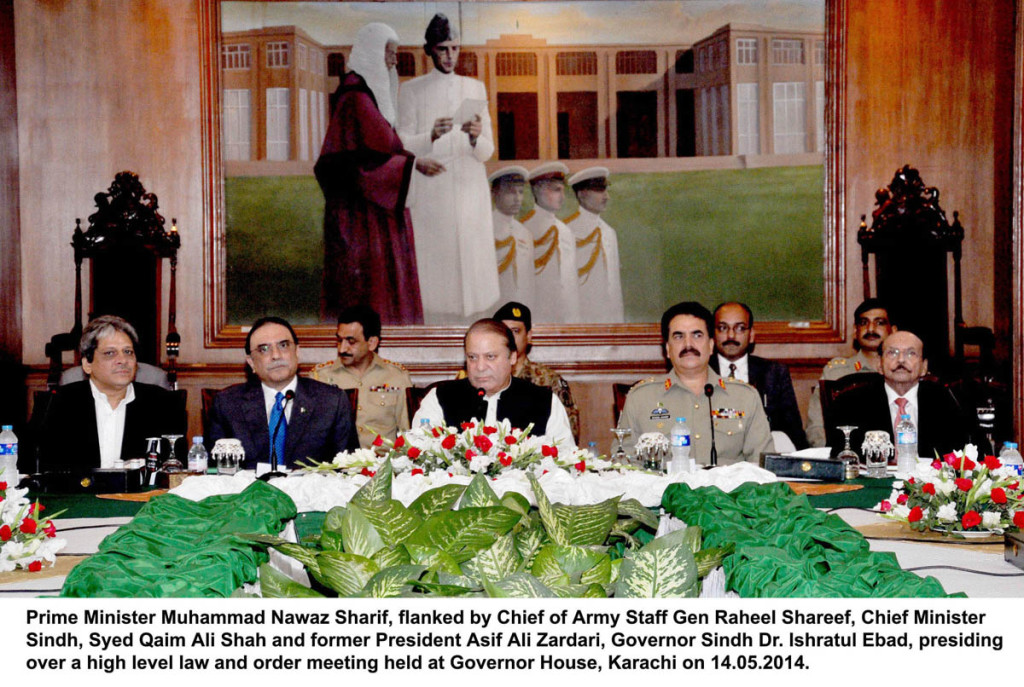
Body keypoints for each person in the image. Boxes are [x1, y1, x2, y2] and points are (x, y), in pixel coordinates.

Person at [315, 22, 441, 324]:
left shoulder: (366, 97)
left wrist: (410, 161)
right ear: (372, 52)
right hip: (363, 216)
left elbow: (386, 149)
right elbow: (360, 164)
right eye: (389, 53)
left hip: (378, 206)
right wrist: (413, 164)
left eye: (396, 54)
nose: (394, 61)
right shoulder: (356, 98)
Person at [397, 13, 499, 324]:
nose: (450, 56)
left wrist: (475, 136)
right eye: (443, 49)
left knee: (472, 260)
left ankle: (476, 317)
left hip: (469, 186)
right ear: (429, 50)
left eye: (455, 48)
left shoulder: (475, 88)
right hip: (433, 187)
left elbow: (487, 151)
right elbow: (400, 143)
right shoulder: (412, 90)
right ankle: (436, 319)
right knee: (437, 270)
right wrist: (429, 135)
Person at [618, 302, 773, 465]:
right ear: (667, 349)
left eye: (697, 335)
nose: (688, 344)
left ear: (711, 345)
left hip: (729, 491)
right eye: (679, 336)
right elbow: (624, 464)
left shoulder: (745, 397)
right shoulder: (640, 398)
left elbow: (763, 463)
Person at [207, 317, 357, 469]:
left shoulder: (332, 402)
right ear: (251, 362)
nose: (276, 355)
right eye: (264, 349)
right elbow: (215, 472)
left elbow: (347, 471)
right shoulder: (228, 404)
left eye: (283, 345)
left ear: (297, 352)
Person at [39, 316, 184, 471]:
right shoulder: (57, 404)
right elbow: (39, 467)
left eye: (128, 352)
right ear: (87, 364)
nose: (122, 360)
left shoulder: (163, 404)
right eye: (110, 353)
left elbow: (175, 470)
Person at [412, 319, 575, 449]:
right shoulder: (440, 397)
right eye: (472, 357)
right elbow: (421, 454)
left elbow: (564, 462)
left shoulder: (544, 402)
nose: (480, 367)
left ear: (512, 357)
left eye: (490, 357)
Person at [825, 330, 972, 457]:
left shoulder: (946, 401)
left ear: (924, 367)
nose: (901, 360)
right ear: (879, 364)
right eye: (892, 353)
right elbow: (838, 456)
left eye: (911, 353)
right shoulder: (850, 403)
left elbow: (965, 454)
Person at [310, 305, 411, 448]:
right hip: (337, 466)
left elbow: (409, 434)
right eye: (339, 340)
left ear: (372, 343)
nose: (342, 349)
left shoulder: (396, 376)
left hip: (384, 465)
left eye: (351, 342)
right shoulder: (320, 377)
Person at [710, 302, 808, 449]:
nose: (731, 335)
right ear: (713, 334)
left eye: (740, 328)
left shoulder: (774, 373)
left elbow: (793, 432)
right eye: (723, 328)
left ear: (751, 335)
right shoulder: (702, 371)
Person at [806, 298, 896, 446]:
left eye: (879, 323)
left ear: (893, 331)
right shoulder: (836, 373)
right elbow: (816, 427)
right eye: (863, 323)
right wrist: (830, 459)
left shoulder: (903, 372)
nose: (871, 329)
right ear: (855, 331)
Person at [493, 301, 580, 443]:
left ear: (528, 336)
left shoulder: (549, 380)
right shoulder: (483, 378)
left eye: (515, 331)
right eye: (504, 331)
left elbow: (569, 435)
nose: (509, 337)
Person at [521, 162, 581, 323]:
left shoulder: (566, 231)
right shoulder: (525, 230)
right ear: (537, 190)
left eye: (562, 190)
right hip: (539, 315)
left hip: (568, 316)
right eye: (555, 190)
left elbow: (571, 280)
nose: (562, 197)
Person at [564, 166, 624, 323]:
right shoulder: (567, 231)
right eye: (599, 191)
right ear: (582, 194)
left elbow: (614, 285)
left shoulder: (609, 232)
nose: (606, 197)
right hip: (581, 320)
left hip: (610, 321)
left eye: (605, 190)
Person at [489, 166, 535, 306]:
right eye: (510, 192)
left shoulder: (525, 233)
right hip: (494, 307)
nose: (517, 199)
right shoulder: (484, 229)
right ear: (494, 194)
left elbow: (529, 279)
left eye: (520, 192)